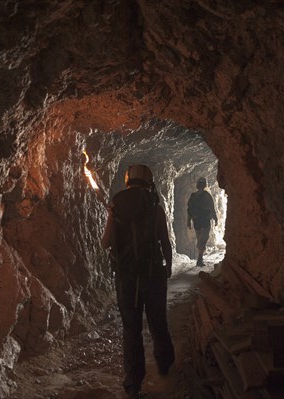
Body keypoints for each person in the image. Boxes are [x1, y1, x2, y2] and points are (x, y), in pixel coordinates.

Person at [101, 164, 175, 399]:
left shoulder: (117, 205)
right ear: (148, 181)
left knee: (131, 329)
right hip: (153, 274)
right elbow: (165, 241)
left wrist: (113, 217)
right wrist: (169, 267)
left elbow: (105, 243)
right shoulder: (155, 208)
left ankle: (133, 383)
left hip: (127, 278)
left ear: (127, 180)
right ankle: (164, 364)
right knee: (158, 322)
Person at [187, 177, 218, 267]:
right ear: (204, 185)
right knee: (203, 240)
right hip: (205, 220)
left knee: (199, 238)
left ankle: (199, 256)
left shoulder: (193, 196)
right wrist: (215, 219)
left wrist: (188, 222)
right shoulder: (207, 195)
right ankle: (200, 258)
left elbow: (189, 210)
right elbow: (212, 208)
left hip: (196, 221)